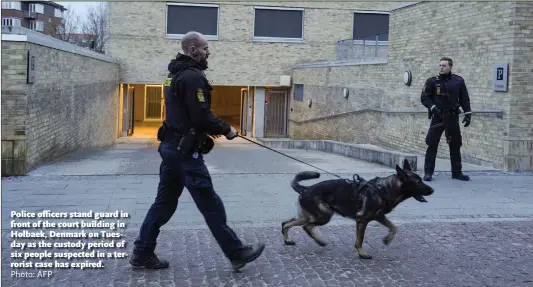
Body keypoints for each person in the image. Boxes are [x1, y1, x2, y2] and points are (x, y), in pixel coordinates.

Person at [129, 31, 265, 271]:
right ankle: (236, 252)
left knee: (164, 204)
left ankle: (142, 253)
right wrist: (227, 130)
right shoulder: (191, 77)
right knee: (210, 203)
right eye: (205, 49)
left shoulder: (174, 74)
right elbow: (201, 116)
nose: (208, 53)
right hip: (184, 154)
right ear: (192, 49)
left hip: (171, 148)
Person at [420, 57, 472, 182]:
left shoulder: (458, 81)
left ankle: (457, 172)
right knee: (432, 143)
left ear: (450, 67)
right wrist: (433, 108)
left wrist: (468, 113)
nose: (441, 68)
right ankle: (428, 172)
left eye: (444, 65)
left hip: (452, 117)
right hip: (438, 116)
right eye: (440, 65)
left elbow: (464, 98)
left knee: (455, 144)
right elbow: (424, 97)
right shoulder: (432, 81)